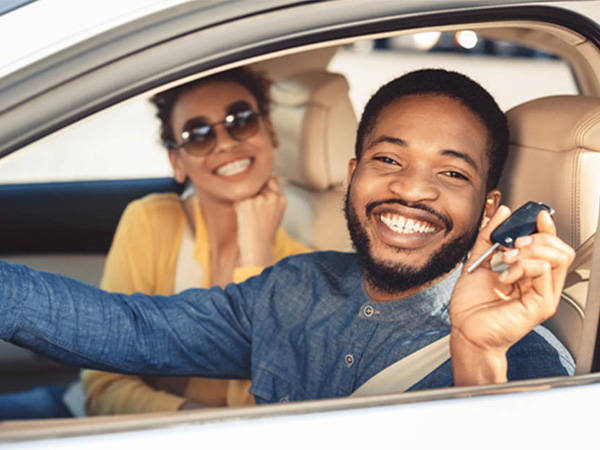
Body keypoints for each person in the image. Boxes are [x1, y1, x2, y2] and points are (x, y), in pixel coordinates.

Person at [0, 69, 576, 404]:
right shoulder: (293, 286)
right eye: (387, 159)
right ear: (354, 177)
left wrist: (477, 358)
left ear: (488, 207)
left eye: (452, 173)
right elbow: (131, 329)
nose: (413, 190)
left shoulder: (522, 354)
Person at [81, 68, 310, 415]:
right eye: (199, 134)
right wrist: (191, 420)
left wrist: (257, 260)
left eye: (242, 120)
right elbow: (102, 387)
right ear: (177, 161)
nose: (226, 143)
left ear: (270, 132)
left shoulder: (304, 270)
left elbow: (265, 416)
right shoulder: (150, 222)